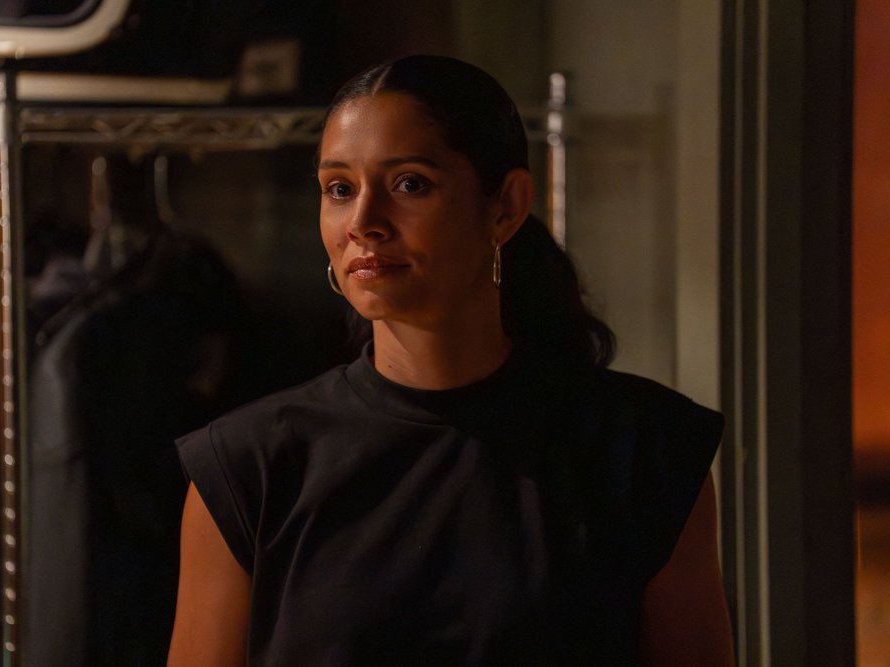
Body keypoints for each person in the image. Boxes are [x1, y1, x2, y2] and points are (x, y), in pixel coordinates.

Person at [168, 54, 734, 665]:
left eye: (410, 183)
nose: (363, 223)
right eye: (340, 189)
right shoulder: (250, 465)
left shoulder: (643, 449)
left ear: (506, 206)